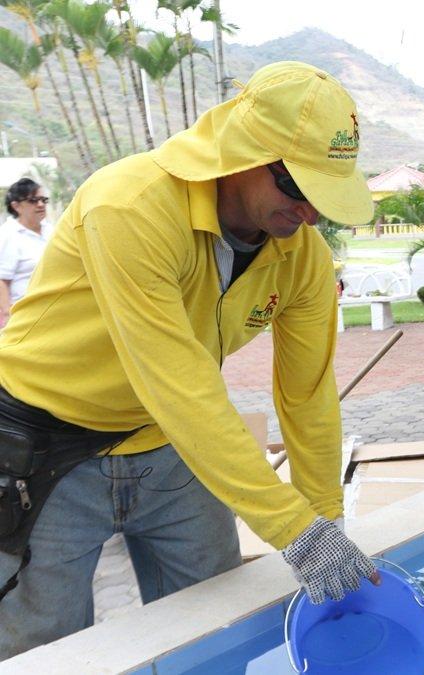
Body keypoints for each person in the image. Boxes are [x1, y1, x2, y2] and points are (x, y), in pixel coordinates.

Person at [0, 61, 379, 658]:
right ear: (243, 152)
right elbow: (177, 382)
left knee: (217, 624)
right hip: (44, 446)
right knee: (44, 646)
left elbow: (306, 394)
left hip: (169, 445)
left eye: (323, 197)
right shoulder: (131, 206)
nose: (310, 214)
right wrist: (291, 529)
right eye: (298, 189)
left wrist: (324, 521)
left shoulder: (301, 256)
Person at [0, 178, 54, 327]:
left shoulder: (50, 230)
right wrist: (7, 315)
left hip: (51, 310)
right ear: (16, 206)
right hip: (24, 315)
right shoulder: (8, 235)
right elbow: (2, 280)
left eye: (44, 200)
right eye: (33, 200)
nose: (41, 205)